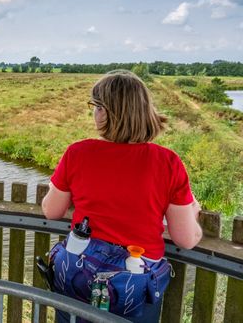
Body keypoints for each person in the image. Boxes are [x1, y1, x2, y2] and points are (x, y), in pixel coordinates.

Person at [42, 70, 202, 322]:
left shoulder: (78, 153)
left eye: (95, 106)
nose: (93, 113)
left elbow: (51, 211)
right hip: (135, 283)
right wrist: (192, 212)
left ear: (105, 112)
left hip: (79, 272)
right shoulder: (167, 162)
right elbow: (186, 239)